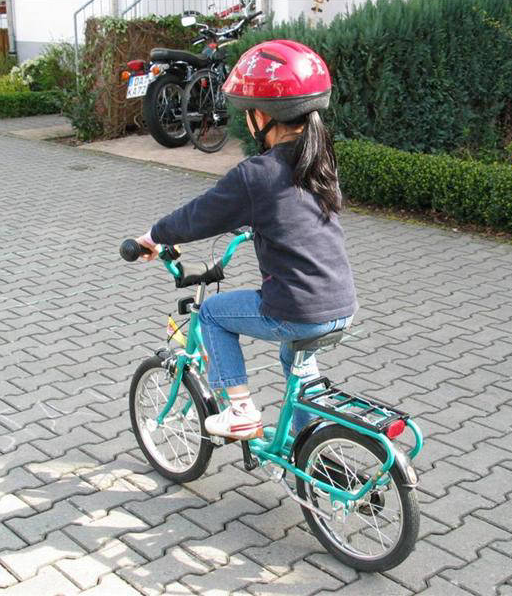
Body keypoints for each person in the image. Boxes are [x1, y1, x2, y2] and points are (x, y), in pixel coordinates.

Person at [136, 40, 357, 440]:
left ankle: (240, 411)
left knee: (212, 313)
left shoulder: (257, 174)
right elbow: (294, 214)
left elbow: (199, 216)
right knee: (297, 363)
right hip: (340, 304)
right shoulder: (320, 160)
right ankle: (315, 446)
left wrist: (153, 236)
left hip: (297, 308)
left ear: (263, 115)